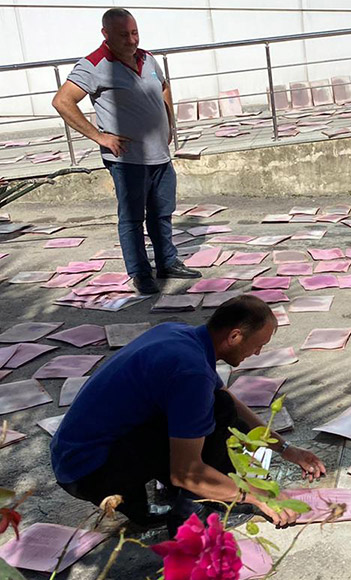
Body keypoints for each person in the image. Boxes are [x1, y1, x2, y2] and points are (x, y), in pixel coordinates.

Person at [51, 295, 327, 531]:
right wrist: (255, 496)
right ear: (234, 336)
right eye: (258, 345)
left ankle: (140, 508)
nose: (257, 354)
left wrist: (286, 448)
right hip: (90, 473)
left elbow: (226, 397)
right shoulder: (191, 373)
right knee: (212, 417)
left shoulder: (180, 334)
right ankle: (191, 511)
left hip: (73, 457)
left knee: (218, 405)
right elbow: (186, 472)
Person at [51, 8, 199, 296]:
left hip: (159, 154)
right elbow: (62, 101)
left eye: (135, 33)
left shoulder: (148, 58)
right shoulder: (94, 65)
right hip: (127, 158)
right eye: (123, 35)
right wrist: (99, 137)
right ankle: (141, 273)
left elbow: (164, 87)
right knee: (132, 218)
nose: (131, 41)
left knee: (162, 212)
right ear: (106, 34)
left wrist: (169, 123)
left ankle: (167, 262)